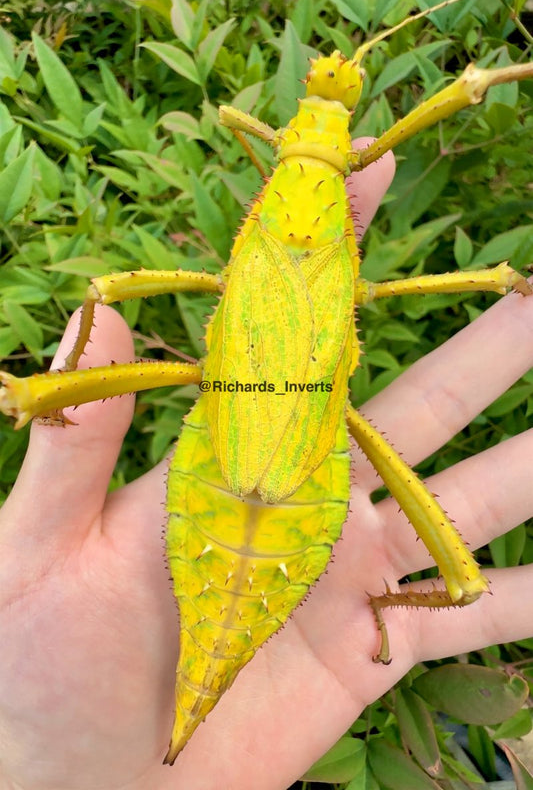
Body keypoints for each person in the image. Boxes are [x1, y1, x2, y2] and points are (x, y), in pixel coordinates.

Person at [0, 141, 531, 790]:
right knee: (463, 581)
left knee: (40, 383)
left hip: (236, 466)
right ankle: (379, 604)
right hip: (281, 479)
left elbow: (102, 291)